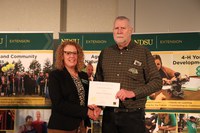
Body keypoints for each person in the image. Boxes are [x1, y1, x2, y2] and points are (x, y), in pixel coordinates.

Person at [94, 16, 162, 133]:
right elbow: (98, 81)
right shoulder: (105, 53)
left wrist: (132, 93)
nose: (119, 31)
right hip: (109, 116)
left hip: (133, 117)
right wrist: (98, 105)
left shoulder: (143, 52)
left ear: (131, 30)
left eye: (123, 28)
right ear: (113, 31)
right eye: (116, 28)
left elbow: (157, 82)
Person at [47, 41, 101, 133]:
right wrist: (87, 112)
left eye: (74, 53)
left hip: (81, 126)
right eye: (68, 53)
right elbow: (58, 104)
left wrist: (95, 107)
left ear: (78, 56)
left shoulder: (83, 75)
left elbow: (86, 99)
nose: (72, 56)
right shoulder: (55, 76)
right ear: (62, 55)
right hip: (61, 127)